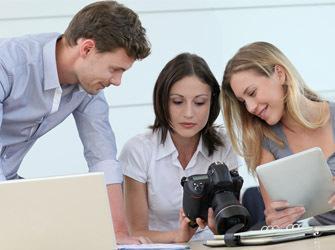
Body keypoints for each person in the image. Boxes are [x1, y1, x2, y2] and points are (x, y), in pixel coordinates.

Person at [0, 1, 151, 244]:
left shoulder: (88, 88)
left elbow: (103, 158)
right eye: (115, 69)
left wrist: (119, 234)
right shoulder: (8, 64)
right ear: (87, 48)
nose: (117, 81)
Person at [119, 53, 240, 243]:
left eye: (200, 102)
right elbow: (136, 233)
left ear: (212, 102)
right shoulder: (138, 150)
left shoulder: (223, 146)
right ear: (163, 101)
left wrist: (220, 229)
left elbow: (231, 222)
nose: (189, 113)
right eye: (177, 102)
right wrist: (178, 237)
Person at [221, 41, 335, 228]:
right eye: (243, 101)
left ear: (280, 74)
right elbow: (275, 219)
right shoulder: (265, 142)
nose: (250, 108)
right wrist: (277, 222)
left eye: (252, 92)